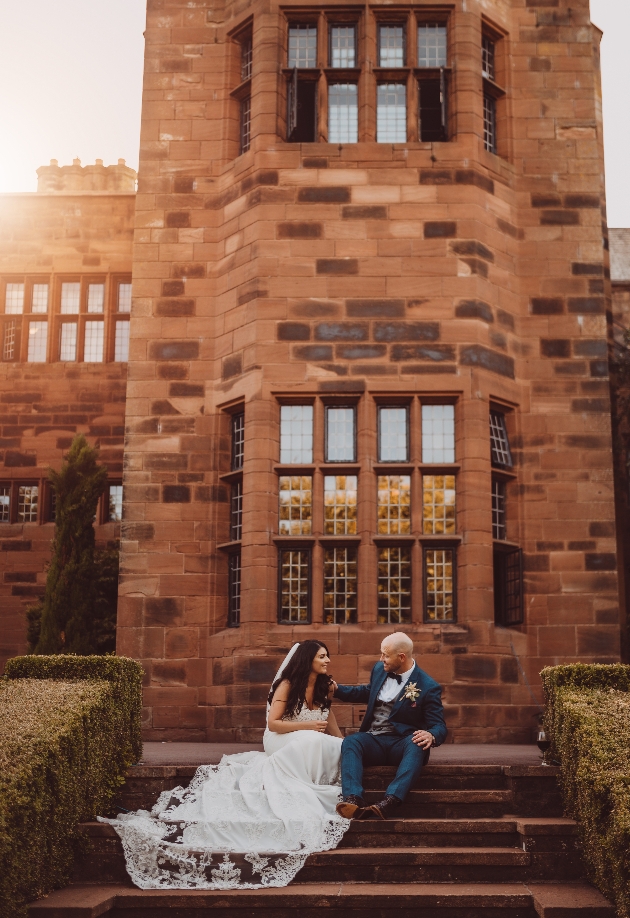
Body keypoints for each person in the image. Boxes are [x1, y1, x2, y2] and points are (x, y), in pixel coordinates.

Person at [98, 641, 350, 890]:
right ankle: (303, 778)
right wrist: (305, 726)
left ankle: (316, 778)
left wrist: (345, 743)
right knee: (310, 740)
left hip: (308, 737)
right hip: (281, 738)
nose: (327, 660)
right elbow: (274, 724)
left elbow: (329, 719)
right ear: (308, 660)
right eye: (322, 656)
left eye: (327, 656)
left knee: (331, 744)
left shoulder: (324, 687)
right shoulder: (287, 685)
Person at [333, 631, 447, 820]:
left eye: (385, 655)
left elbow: (439, 725)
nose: (381, 659)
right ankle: (353, 799)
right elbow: (368, 692)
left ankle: (390, 800)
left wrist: (431, 735)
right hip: (374, 740)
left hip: (401, 744)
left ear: (401, 657)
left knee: (417, 743)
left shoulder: (428, 686)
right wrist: (338, 690)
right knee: (351, 742)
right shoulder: (380, 670)